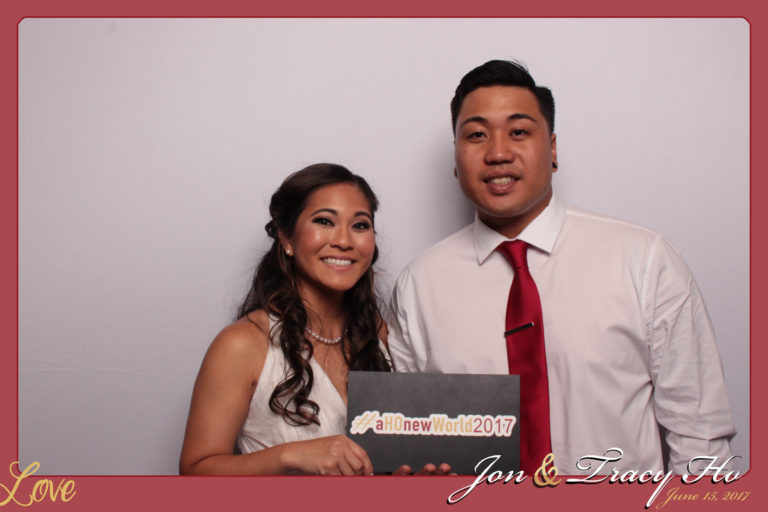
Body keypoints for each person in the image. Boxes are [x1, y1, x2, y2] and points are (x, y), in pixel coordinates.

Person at [387, 60, 736, 474]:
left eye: (519, 132)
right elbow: (403, 445)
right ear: (456, 158)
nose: (498, 153)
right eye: (477, 135)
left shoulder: (643, 260)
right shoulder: (418, 285)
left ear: (551, 149)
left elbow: (700, 433)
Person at [179, 163, 392, 475]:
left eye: (360, 225)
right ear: (287, 239)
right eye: (324, 221)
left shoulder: (375, 334)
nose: (345, 241)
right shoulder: (242, 344)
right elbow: (194, 472)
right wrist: (289, 455)